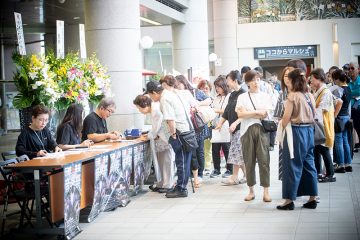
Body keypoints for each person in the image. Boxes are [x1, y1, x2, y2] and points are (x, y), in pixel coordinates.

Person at [277, 68, 318, 210]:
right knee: (309, 164)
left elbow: (286, 118)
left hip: (296, 132)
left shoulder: (292, 96)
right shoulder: (309, 95)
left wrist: (281, 124)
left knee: (292, 165)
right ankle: (312, 198)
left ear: (293, 80)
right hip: (309, 131)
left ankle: (289, 201)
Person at [146, 81, 192, 198]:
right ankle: (181, 186)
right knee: (185, 161)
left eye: (151, 95)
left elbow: (170, 119)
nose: (151, 98)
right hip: (187, 130)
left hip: (179, 132)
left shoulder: (164, 99)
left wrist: (173, 135)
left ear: (155, 92)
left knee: (180, 161)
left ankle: (181, 189)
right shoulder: (170, 93)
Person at [236, 70, 272, 202]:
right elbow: (240, 115)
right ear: (247, 82)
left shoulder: (265, 96)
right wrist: (257, 112)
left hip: (262, 130)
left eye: (258, 79)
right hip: (246, 131)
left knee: (264, 161)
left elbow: (265, 114)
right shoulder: (242, 97)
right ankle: (251, 191)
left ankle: (266, 191)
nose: (256, 82)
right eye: (253, 80)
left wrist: (249, 112)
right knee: (249, 161)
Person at [133, 95, 175, 192]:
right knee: (161, 162)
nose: (139, 111)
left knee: (166, 162)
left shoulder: (155, 110)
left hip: (164, 138)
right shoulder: (154, 109)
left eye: (139, 108)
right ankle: (161, 183)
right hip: (161, 139)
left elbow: (157, 127)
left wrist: (148, 135)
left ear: (144, 105)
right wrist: (149, 135)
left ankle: (167, 185)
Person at [176, 75, 211, 185]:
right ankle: (193, 173)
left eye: (178, 84)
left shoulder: (194, 92)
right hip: (188, 126)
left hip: (197, 126)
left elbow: (209, 100)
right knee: (192, 151)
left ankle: (200, 173)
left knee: (199, 150)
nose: (177, 86)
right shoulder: (177, 94)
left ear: (183, 83)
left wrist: (196, 105)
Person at [216, 70, 247, 184]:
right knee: (239, 153)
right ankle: (246, 176)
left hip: (241, 128)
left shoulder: (243, 94)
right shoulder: (232, 94)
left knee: (235, 152)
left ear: (234, 80)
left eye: (228, 80)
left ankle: (234, 177)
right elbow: (227, 111)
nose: (227, 83)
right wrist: (220, 124)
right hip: (233, 129)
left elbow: (246, 113)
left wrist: (235, 123)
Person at [309, 68, 336, 182]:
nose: (310, 82)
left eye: (312, 79)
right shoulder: (319, 91)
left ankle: (330, 174)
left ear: (318, 79)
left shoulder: (325, 92)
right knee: (317, 149)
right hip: (318, 125)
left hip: (322, 125)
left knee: (324, 150)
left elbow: (320, 111)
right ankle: (318, 172)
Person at [274, 66, 295, 180]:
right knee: (285, 159)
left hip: (298, 131)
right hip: (285, 131)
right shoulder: (282, 94)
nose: (287, 79)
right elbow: (277, 115)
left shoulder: (301, 92)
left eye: (290, 76)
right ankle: (287, 185)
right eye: (285, 76)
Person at [210, 75, 231, 178]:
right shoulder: (216, 98)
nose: (217, 89)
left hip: (226, 124)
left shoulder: (229, 96)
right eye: (216, 87)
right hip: (215, 124)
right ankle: (216, 169)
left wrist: (215, 110)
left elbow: (227, 111)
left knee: (226, 147)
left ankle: (229, 169)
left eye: (218, 86)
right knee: (215, 148)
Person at [332, 70, 353, 173]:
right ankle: (348, 164)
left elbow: (338, 104)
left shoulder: (338, 89)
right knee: (345, 141)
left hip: (339, 117)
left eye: (333, 79)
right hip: (346, 117)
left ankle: (340, 165)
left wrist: (333, 116)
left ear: (336, 79)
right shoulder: (348, 88)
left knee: (339, 141)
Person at [197, 79, 213, 176]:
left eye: (206, 88)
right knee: (201, 148)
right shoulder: (198, 98)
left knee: (208, 147)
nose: (204, 90)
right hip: (201, 126)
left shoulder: (211, 99)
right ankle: (204, 167)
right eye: (202, 88)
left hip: (210, 125)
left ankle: (207, 167)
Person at [348, 62, 360, 151]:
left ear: (358, 70)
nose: (350, 70)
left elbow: (350, 93)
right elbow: (347, 94)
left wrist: (351, 94)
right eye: (349, 69)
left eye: (352, 68)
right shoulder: (347, 82)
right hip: (351, 111)